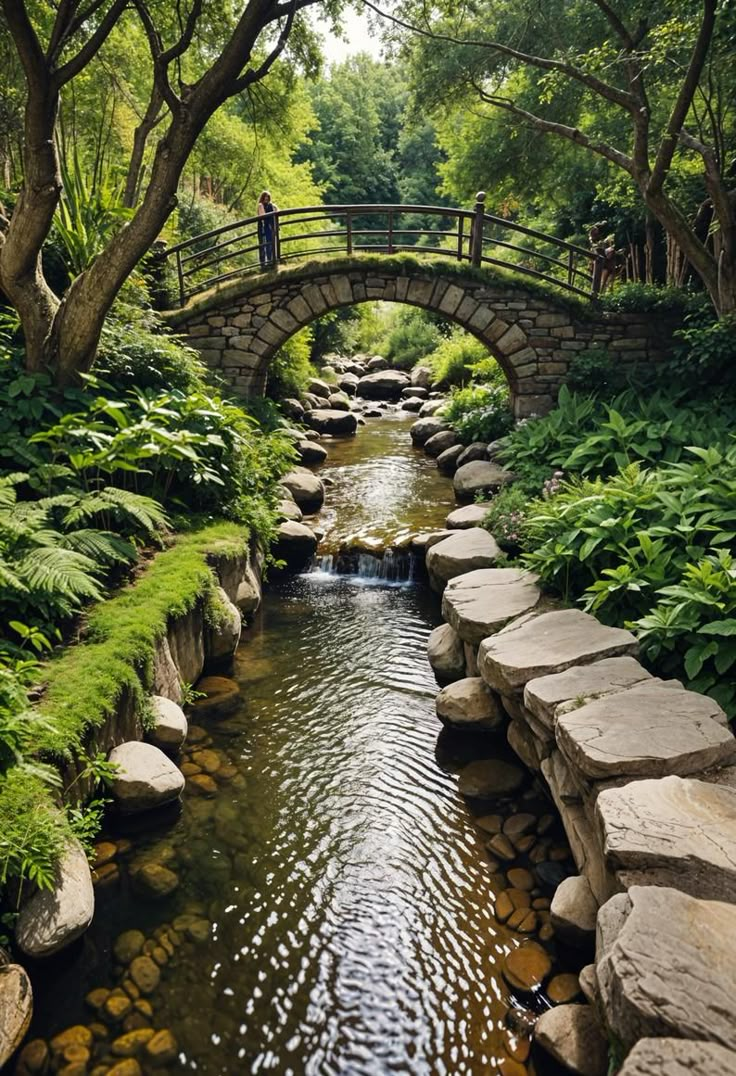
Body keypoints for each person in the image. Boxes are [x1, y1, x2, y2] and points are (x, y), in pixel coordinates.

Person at [257, 190, 278, 270]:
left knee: (271, 244)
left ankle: (272, 261)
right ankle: (264, 264)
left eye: (268, 198)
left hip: (270, 227)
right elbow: (263, 216)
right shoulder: (261, 206)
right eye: (265, 198)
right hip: (264, 227)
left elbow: (277, 213)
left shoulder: (272, 206)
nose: (266, 199)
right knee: (264, 245)